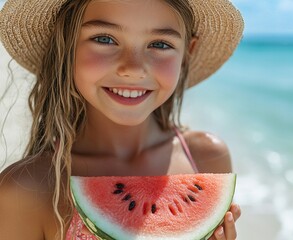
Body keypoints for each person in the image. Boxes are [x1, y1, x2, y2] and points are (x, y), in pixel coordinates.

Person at [0, 0, 244, 239]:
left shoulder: (208, 158)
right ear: (65, 44)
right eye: (104, 39)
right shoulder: (26, 190)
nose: (133, 68)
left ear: (186, 53)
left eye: (160, 44)